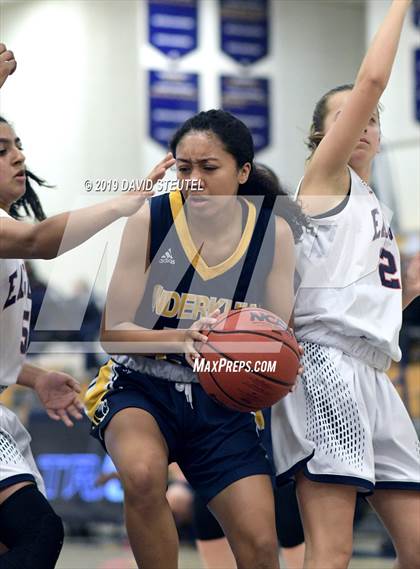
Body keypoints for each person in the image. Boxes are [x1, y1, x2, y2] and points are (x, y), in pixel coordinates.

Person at [85, 109, 306, 569]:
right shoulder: (152, 220)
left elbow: (278, 335)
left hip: (222, 399)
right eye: (184, 169)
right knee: (143, 476)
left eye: (209, 168)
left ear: (243, 172)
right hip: (141, 385)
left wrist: (256, 338)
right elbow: (113, 332)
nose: (195, 180)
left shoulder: (273, 233)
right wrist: (183, 336)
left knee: (261, 546)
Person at [0, 43, 172, 568]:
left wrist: (32, 377)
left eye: (18, 145)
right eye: (2, 149)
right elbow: (41, 241)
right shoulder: (20, 242)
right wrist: (123, 203)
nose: (19, 156)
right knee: (38, 534)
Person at [270, 2, 420, 568]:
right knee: (332, 550)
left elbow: (358, 294)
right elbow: (375, 78)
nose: (363, 124)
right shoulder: (324, 179)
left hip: (376, 373)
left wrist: (406, 292)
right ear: (320, 135)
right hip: (325, 366)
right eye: (351, 115)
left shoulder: (374, 206)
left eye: (373, 120)